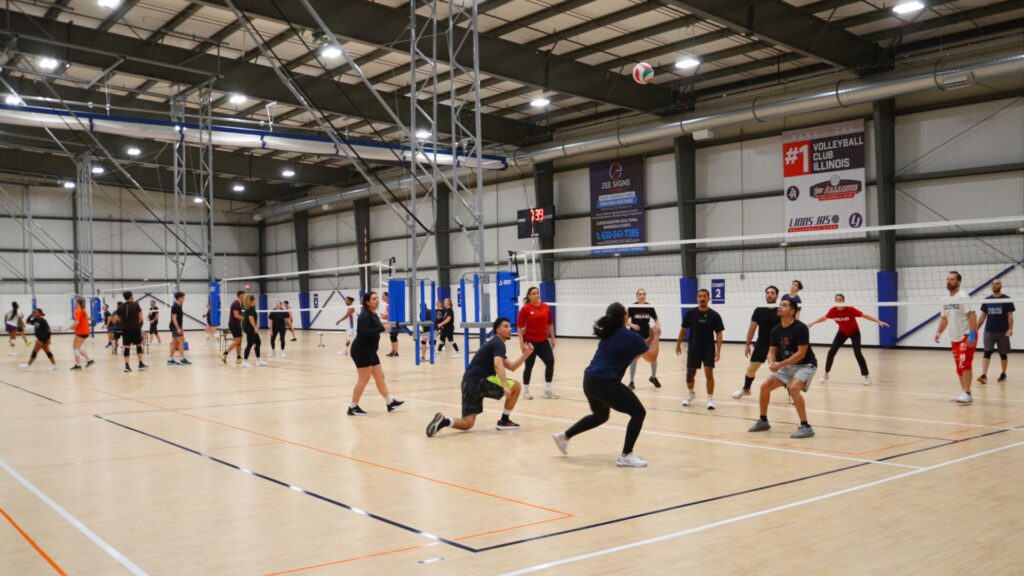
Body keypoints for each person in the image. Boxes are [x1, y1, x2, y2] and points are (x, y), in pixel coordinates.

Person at [551, 302, 660, 467]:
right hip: (605, 382)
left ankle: (564, 436)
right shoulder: (628, 336)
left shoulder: (609, 333)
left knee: (600, 416)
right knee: (638, 412)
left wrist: (649, 340)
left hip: (590, 381)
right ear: (624, 317)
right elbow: (652, 357)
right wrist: (657, 337)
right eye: (626, 312)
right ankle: (626, 455)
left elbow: (635, 354)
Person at [425, 317, 533, 436]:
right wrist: (505, 386)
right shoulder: (498, 343)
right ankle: (504, 421)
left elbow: (512, 366)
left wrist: (526, 354)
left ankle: (444, 421)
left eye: (509, 327)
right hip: (480, 381)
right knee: (516, 386)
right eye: (505, 326)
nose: (509, 329)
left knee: (468, 423)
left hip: (468, 383)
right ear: (497, 330)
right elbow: (498, 364)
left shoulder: (494, 344)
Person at [747, 298, 818, 439]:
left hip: (805, 364)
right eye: (780, 305)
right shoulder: (776, 330)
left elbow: (801, 353)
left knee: (793, 388)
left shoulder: (801, 328)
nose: (779, 307)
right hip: (787, 365)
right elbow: (771, 351)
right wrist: (772, 363)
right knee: (765, 386)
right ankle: (763, 420)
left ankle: (806, 426)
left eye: (784, 305)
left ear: (792, 311)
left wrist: (780, 364)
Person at [807, 293, 889, 385]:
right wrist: (812, 323)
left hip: (854, 332)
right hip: (842, 332)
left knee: (857, 353)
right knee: (831, 351)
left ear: (843, 301)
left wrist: (878, 321)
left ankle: (866, 376)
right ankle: (826, 374)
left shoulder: (850, 309)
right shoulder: (833, 311)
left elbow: (864, 315)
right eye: (837, 300)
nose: (838, 301)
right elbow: (824, 318)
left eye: (840, 300)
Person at [347, 291, 404, 415]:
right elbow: (365, 333)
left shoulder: (373, 314)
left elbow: (375, 329)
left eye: (377, 298)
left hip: (371, 351)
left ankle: (390, 402)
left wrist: (384, 323)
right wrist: (383, 328)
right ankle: (352, 407)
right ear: (367, 302)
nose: (377, 300)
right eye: (374, 299)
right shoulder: (364, 316)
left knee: (380, 377)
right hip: (361, 350)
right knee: (363, 379)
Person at [676, 288, 724, 410]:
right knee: (690, 375)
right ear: (697, 298)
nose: (702, 298)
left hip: (708, 348)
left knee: (709, 374)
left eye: (704, 296)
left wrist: (718, 350)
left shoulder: (714, 315)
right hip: (694, 348)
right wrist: (678, 344)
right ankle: (691, 393)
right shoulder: (690, 314)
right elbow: (683, 330)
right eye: (700, 296)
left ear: (708, 298)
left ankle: (710, 399)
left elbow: (719, 333)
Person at [935, 271, 978, 404]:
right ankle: (963, 391)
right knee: (959, 367)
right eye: (947, 279)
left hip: (966, 335)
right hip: (954, 337)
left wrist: (972, 334)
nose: (949, 281)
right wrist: (938, 332)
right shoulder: (945, 300)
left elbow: (972, 315)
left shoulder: (963, 296)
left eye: (952, 279)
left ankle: (968, 393)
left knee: (965, 364)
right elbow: (944, 318)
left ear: (958, 282)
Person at [732, 285, 781, 400]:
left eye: (772, 293)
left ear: (777, 295)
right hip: (761, 344)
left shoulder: (780, 310)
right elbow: (752, 328)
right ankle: (746, 389)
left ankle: (791, 394)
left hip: (777, 345)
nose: (769, 295)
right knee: (751, 369)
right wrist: (747, 345)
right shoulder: (759, 310)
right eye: (768, 293)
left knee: (784, 371)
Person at [517, 286, 557, 399]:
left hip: (543, 341)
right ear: (529, 296)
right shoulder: (525, 309)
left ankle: (548, 390)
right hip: (530, 342)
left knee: (550, 362)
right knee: (529, 366)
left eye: (537, 293)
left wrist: (553, 338)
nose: (536, 295)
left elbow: (550, 324)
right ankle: (526, 391)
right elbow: (519, 327)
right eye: (533, 293)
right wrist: (521, 343)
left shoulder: (545, 307)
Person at [978, 279, 1014, 384]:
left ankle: (1003, 374)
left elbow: (1010, 316)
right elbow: (983, 316)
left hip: (1002, 331)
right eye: (993, 284)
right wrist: (975, 329)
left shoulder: (1006, 299)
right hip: (989, 331)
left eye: (997, 284)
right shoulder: (987, 300)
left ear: (1001, 286)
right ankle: (983, 375)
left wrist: (1010, 329)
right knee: (987, 352)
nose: (995, 285)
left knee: (1003, 354)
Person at [626, 288, 661, 389]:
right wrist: (632, 325)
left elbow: (656, 319)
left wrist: (657, 325)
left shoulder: (649, 307)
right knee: (634, 359)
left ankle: (653, 377)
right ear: (637, 296)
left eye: (644, 294)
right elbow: (625, 320)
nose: (642, 296)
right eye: (640, 294)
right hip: (634, 337)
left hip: (647, 337)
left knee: (653, 358)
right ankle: (631, 382)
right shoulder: (632, 307)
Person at [115, 292, 146, 373]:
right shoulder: (136, 304)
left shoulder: (121, 306)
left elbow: (115, 318)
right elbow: (141, 317)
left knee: (127, 347)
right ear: (131, 296)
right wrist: (137, 323)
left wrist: (123, 321)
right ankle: (140, 364)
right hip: (135, 328)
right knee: (138, 345)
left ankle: (127, 366)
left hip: (125, 329)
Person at [68, 297, 94, 370]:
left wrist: (70, 327)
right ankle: (90, 360)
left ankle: (78, 365)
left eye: (75, 302)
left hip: (81, 332)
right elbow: (85, 319)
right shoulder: (83, 309)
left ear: (77, 303)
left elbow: (77, 322)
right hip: (85, 331)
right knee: (79, 348)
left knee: (75, 348)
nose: (75, 303)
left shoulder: (77, 310)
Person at [242, 294, 266, 367]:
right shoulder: (250, 308)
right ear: (252, 300)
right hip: (249, 329)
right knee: (250, 344)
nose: (256, 301)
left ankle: (258, 360)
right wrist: (255, 327)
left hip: (251, 328)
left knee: (258, 342)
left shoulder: (252, 307)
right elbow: (250, 318)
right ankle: (245, 361)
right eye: (255, 299)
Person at [221, 290, 245, 364]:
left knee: (239, 341)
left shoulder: (238, 303)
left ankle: (238, 357)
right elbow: (236, 315)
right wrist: (245, 319)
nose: (244, 297)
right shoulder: (236, 304)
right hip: (234, 324)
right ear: (240, 295)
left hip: (236, 324)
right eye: (244, 295)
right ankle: (224, 353)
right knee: (238, 341)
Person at [167, 292, 190, 366]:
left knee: (174, 344)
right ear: (179, 298)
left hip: (176, 327)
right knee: (182, 342)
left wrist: (181, 328)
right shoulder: (175, 306)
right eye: (183, 297)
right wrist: (178, 328)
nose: (184, 298)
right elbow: (174, 318)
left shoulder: (180, 305)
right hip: (175, 327)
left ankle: (170, 360)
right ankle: (182, 359)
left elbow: (180, 319)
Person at [382, 291, 400, 358]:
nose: (382, 297)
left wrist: (385, 316)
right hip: (391, 322)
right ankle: (393, 351)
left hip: (394, 322)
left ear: (387, 296)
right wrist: (385, 316)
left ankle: (395, 352)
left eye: (383, 296)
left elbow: (392, 314)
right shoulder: (388, 304)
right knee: (392, 337)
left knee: (393, 336)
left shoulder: (390, 303)